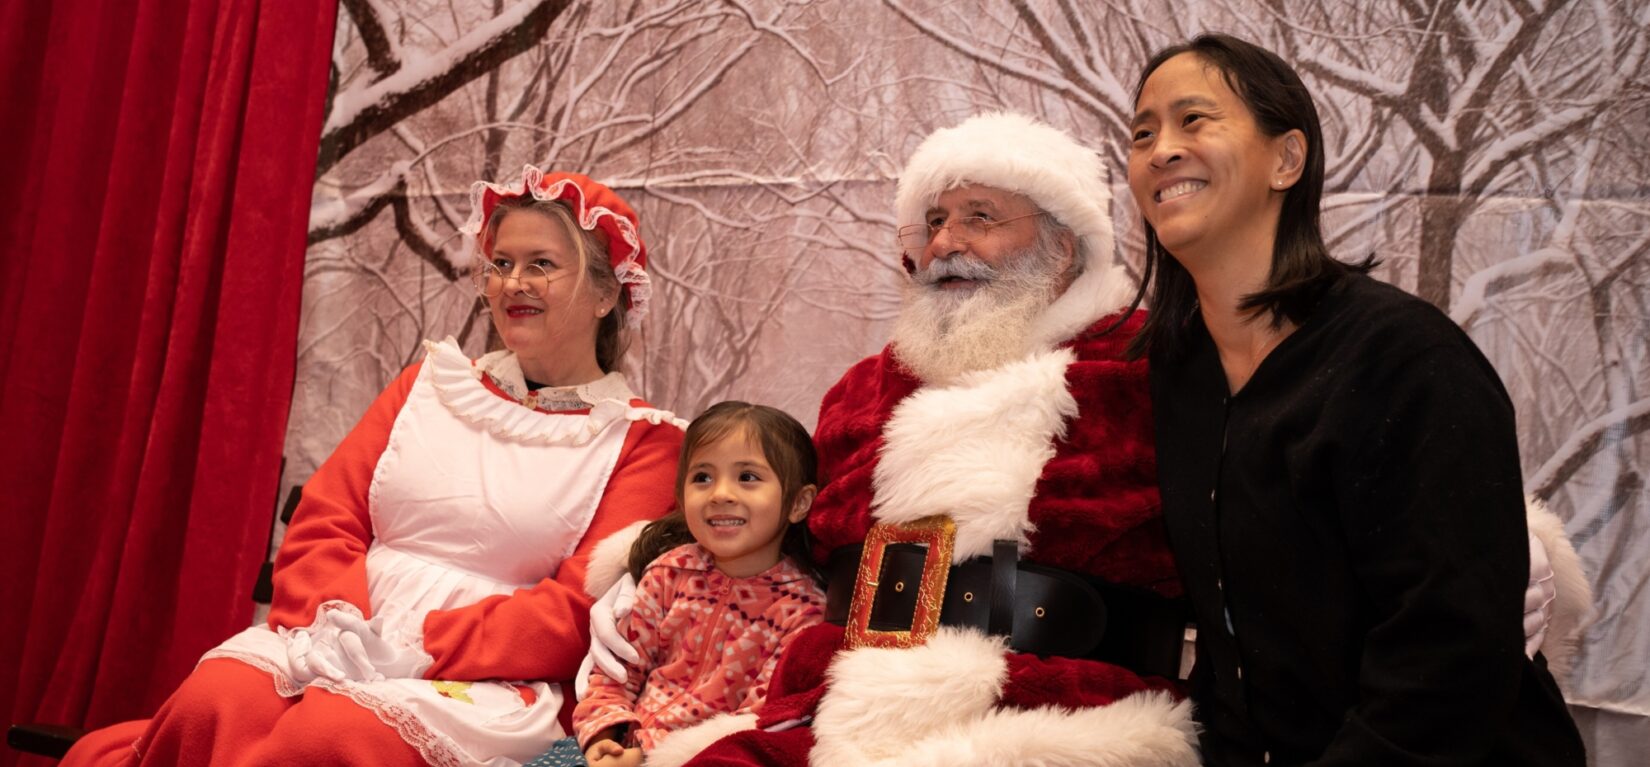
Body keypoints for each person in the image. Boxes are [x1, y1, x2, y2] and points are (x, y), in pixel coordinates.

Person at [584, 112, 1200, 767]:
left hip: (1059, 711)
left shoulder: (1140, 370)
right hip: (836, 702)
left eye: (980, 218)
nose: (944, 242)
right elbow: (788, 521)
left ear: (1063, 245)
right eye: (933, 221)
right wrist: (643, 563)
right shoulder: (865, 388)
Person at [60, 167, 686, 767]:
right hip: (336, 636)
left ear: (608, 292)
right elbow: (327, 520)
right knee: (211, 702)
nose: (512, 283)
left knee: (334, 739)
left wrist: (418, 646)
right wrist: (339, 629)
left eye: (541, 265)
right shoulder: (428, 385)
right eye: (501, 264)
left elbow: (575, 611)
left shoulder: (643, 443)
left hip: (490, 678)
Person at [1126, 34, 1586, 765]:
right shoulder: (1177, 372)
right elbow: (1232, 647)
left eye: (1195, 120)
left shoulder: (1405, 359)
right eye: (1143, 132)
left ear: (1287, 160)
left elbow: (1451, 655)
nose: (1160, 150)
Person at [526, 401, 826, 767]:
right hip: (617, 747)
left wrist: (649, 758)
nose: (720, 494)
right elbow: (614, 672)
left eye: (747, 477)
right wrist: (604, 738)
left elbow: (759, 720)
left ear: (799, 503)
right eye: (702, 477)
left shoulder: (803, 611)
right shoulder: (670, 573)